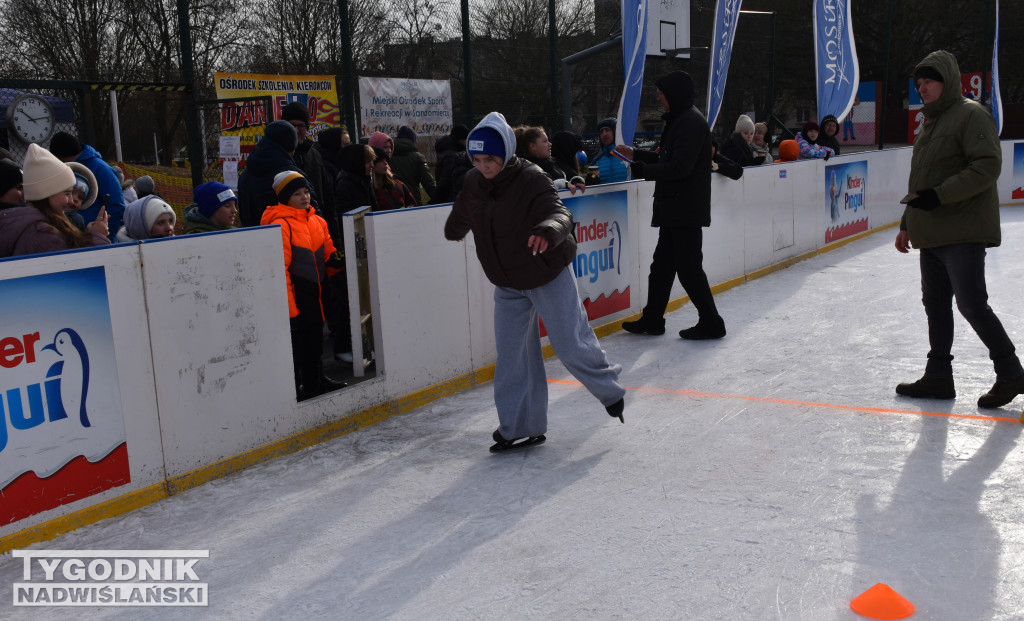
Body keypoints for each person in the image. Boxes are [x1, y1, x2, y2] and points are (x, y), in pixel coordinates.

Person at [444, 111, 626, 452]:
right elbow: (465, 207)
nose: (484, 166)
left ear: (507, 154)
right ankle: (519, 426)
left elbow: (561, 213)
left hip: (547, 273)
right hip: (507, 281)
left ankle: (610, 389)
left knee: (570, 343)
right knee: (512, 357)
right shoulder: (473, 181)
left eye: (491, 159)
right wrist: (454, 229)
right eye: (478, 159)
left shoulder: (531, 177)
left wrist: (548, 231)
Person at [894, 49, 1024, 409]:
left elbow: (986, 165)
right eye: (919, 83)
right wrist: (908, 222)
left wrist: (940, 196)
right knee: (935, 305)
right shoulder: (931, 123)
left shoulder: (970, 114)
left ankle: (1011, 371)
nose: (923, 88)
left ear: (948, 80)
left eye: (930, 81)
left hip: (962, 229)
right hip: (932, 232)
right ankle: (938, 375)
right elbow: (921, 179)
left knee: (971, 304)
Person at [615, 70, 726, 340]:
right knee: (662, 267)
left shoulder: (689, 122)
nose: (658, 97)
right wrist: (637, 155)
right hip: (676, 208)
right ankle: (653, 319)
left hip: (684, 210)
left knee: (688, 269)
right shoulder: (680, 120)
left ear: (674, 93)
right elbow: (669, 157)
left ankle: (712, 322)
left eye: (662, 92)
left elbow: (680, 167)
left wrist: (643, 169)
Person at [261, 171, 345, 400]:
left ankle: (317, 381)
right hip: (299, 299)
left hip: (317, 295)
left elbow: (328, 254)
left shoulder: (318, 220)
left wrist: (337, 261)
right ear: (285, 198)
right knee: (300, 349)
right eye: (297, 193)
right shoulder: (281, 225)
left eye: (306, 191)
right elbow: (281, 270)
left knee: (316, 344)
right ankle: (303, 388)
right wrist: (291, 311)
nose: (304, 197)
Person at [0, 143, 110, 257]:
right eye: (67, 193)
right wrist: (98, 236)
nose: (71, 200)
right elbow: (77, 269)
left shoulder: (30, 224)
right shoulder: (42, 233)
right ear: (48, 192)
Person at [48, 131, 125, 241]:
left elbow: (116, 205)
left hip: (97, 239)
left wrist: (106, 237)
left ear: (61, 158)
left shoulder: (100, 168)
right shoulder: (67, 169)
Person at [282, 101, 336, 239]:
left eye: (301, 126)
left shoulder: (314, 155)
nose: (296, 130)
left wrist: (334, 236)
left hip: (316, 224)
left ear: (307, 128)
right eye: (292, 125)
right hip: (290, 229)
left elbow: (327, 195)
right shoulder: (279, 155)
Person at [238, 120, 304, 227]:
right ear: (291, 145)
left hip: (254, 236)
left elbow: (245, 213)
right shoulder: (293, 175)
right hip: (293, 237)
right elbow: (311, 210)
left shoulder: (246, 175)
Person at [515, 126, 585, 195]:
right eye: (545, 141)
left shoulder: (551, 166)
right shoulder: (526, 170)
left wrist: (573, 182)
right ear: (533, 146)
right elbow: (539, 191)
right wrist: (562, 184)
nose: (550, 144)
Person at [389, 126, 436, 204]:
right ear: (412, 140)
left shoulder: (388, 156)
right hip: (412, 201)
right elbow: (428, 183)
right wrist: (438, 199)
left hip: (393, 202)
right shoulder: (418, 157)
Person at [431, 124, 471, 204]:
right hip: (450, 199)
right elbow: (445, 181)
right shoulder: (452, 156)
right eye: (466, 139)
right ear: (461, 139)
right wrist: (435, 200)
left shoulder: (447, 151)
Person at [588, 117, 630, 184]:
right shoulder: (596, 161)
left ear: (615, 132)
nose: (604, 134)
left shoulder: (629, 157)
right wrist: (591, 178)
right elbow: (592, 180)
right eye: (601, 132)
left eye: (607, 130)